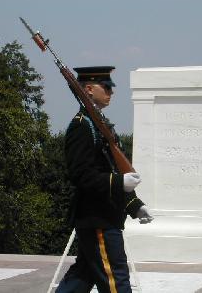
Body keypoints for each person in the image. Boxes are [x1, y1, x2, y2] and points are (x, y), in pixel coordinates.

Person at [56, 66, 153, 293]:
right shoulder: (83, 126)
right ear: (88, 89)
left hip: (103, 216)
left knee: (83, 275)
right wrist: (119, 183)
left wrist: (134, 205)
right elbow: (81, 175)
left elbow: (112, 167)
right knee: (116, 280)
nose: (111, 92)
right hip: (98, 218)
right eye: (106, 87)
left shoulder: (98, 124)